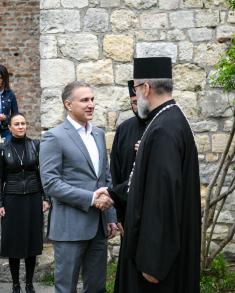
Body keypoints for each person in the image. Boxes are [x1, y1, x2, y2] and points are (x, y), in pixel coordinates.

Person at [116, 57, 201, 293]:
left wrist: (153, 262)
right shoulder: (169, 119)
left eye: (135, 89)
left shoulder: (163, 128)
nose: (136, 94)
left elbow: (162, 197)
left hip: (158, 266)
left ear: (145, 88)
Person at [39, 81, 117, 293]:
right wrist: (92, 198)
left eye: (92, 99)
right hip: (69, 228)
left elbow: (105, 178)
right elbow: (51, 183)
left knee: (97, 287)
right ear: (68, 104)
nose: (91, 104)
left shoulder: (98, 134)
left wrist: (110, 217)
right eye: (84, 100)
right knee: (66, 288)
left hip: (99, 227)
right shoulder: (54, 137)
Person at [0, 113, 50, 293]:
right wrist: (0, 204)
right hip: (11, 199)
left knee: (31, 242)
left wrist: (45, 198)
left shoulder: (35, 145)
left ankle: (29, 284)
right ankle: (15, 284)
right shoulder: (3, 148)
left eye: (23, 123)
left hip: (33, 198)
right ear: (10, 127)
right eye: (17, 124)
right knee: (14, 243)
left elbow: (41, 174)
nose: (21, 126)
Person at [110, 80, 146, 227]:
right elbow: (115, 171)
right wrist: (118, 216)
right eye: (134, 103)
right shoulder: (124, 129)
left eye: (139, 102)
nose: (137, 107)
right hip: (128, 208)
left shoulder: (162, 125)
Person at [0, 65, 18, 141]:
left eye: (0, 78)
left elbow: (16, 115)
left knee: (8, 150)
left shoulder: (10, 94)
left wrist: (6, 118)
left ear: (5, 79)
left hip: (6, 130)